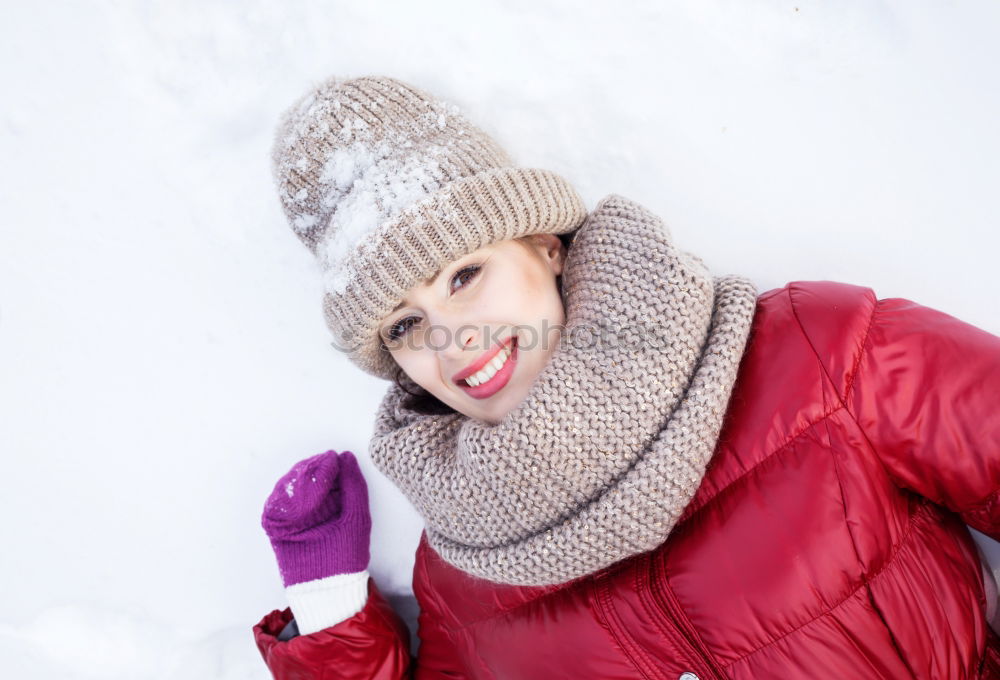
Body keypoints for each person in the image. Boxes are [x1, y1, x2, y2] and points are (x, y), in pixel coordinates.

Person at [252, 75, 1000, 679]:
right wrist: (329, 612)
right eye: (405, 326)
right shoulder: (460, 575)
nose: (450, 341)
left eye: (464, 276)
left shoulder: (819, 355)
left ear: (544, 245)